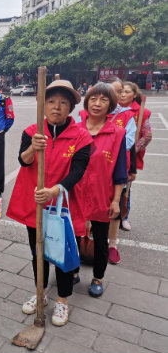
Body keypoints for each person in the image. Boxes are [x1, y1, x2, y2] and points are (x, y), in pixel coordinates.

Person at [6, 80, 92, 327]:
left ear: (71, 108)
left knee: (63, 253)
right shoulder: (32, 131)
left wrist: (55, 190)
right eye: (51, 102)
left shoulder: (81, 137)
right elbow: (23, 161)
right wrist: (33, 147)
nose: (57, 107)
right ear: (42, 105)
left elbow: (78, 171)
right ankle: (41, 293)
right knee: (38, 251)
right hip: (35, 204)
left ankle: (63, 300)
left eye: (63, 103)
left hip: (64, 205)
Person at [75, 82, 127, 297]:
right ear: (87, 102)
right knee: (73, 236)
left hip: (101, 196)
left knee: (100, 239)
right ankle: (71, 271)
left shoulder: (117, 134)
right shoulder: (74, 130)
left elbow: (120, 172)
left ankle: (98, 277)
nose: (97, 104)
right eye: (93, 99)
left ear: (111, 105)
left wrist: (115, 201)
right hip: (75, 194)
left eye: (103, 100)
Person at [103, 77, 137, 264]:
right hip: (94, 168)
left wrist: (102, 142)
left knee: (115, 206)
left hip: (117, 167)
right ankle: (86, 238)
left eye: (119, 91)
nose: (117, 95)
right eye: (111, 90)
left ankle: (113, 244)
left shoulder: (127, 116)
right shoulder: (88, 113)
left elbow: (129, 142)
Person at [121, 82, 152, 230]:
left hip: (129, 155)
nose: (123, 94)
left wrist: (133, 150)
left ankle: (124, 217)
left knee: (126, 187)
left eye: (127, 92)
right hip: (112, 155)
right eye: (121, 91)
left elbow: (147, 136)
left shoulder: (141, 112)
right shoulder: (113, 109)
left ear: (134, 95)